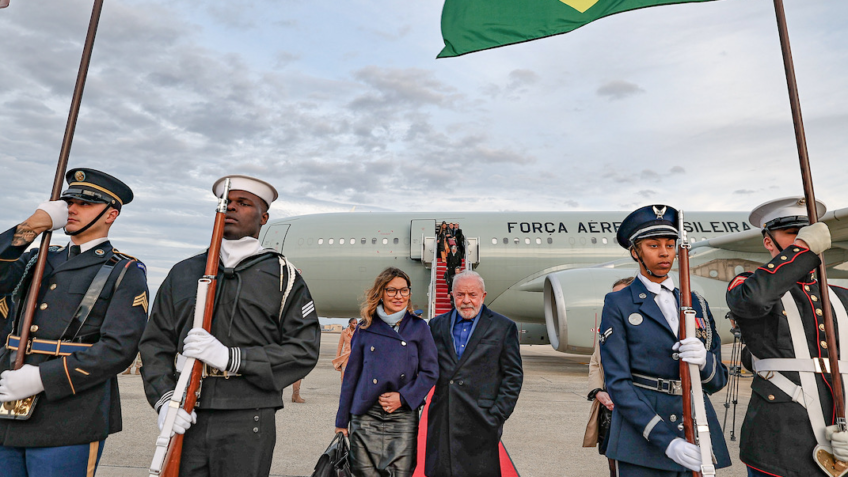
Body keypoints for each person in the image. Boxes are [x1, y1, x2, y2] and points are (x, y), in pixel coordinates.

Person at [138, 174, 321, 477]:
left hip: (248, 414)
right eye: (226, 203)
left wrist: (233, 358)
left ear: (263, 217)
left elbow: (303, 350)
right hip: (186, 410)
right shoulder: (183, 272)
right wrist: (165, 399)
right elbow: (154, 343)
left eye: (243, 203)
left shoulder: (283, 276)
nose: (231, 208)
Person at [0, 168, 148, 476]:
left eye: (86, 203)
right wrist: (33, 225)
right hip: (6, 406)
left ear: (111, 214)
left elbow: (117, 349)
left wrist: (43, 378)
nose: (72, 209)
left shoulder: (124, 271)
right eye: (69, 201)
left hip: (68, 417)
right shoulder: (37, 259)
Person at [599, 204, 731, 476]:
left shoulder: (696, 303)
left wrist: (706, 362)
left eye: (670, 245)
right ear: (635, 252)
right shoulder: (619, 303)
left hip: (696, 429)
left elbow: (717, 381)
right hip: (643, 439)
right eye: (653, 245)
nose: (664, 253)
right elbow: (618, 383)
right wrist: (666, 440)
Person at [726, 197, 848, 477]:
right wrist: (802, 249)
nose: (804, 237)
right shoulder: (748, 285)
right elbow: (753, 301)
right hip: (779, 445)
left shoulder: (841, 297)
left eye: (809, 231)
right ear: (769, 242)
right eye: (793, 233)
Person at [334, 267, 438, 477]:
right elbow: (351, 378)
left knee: (401, 473)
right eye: (391, 290)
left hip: (402, 416)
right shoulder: (365, 328)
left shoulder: (419, 328)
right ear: (380, 292)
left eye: (404, 290)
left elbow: (430, 371)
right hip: (365, 416)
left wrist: (403, 397)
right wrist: (341, 421)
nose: (398, 296)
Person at [426, 270, 523, 477]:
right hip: (444, 419)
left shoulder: (503, 327)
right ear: (451, 296)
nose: (466, 301)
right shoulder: (436, 325)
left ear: (483, 296)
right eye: (460, 295)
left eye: (472, 295)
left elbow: (513, 376)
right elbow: (424, 367)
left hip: (481, 420)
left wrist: (496, 416)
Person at [584, 276, 634, 477]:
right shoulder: (609, 328)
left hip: (635, 407)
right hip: (610, 407)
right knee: (612, 462)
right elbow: (595, 362)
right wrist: (598, 392)